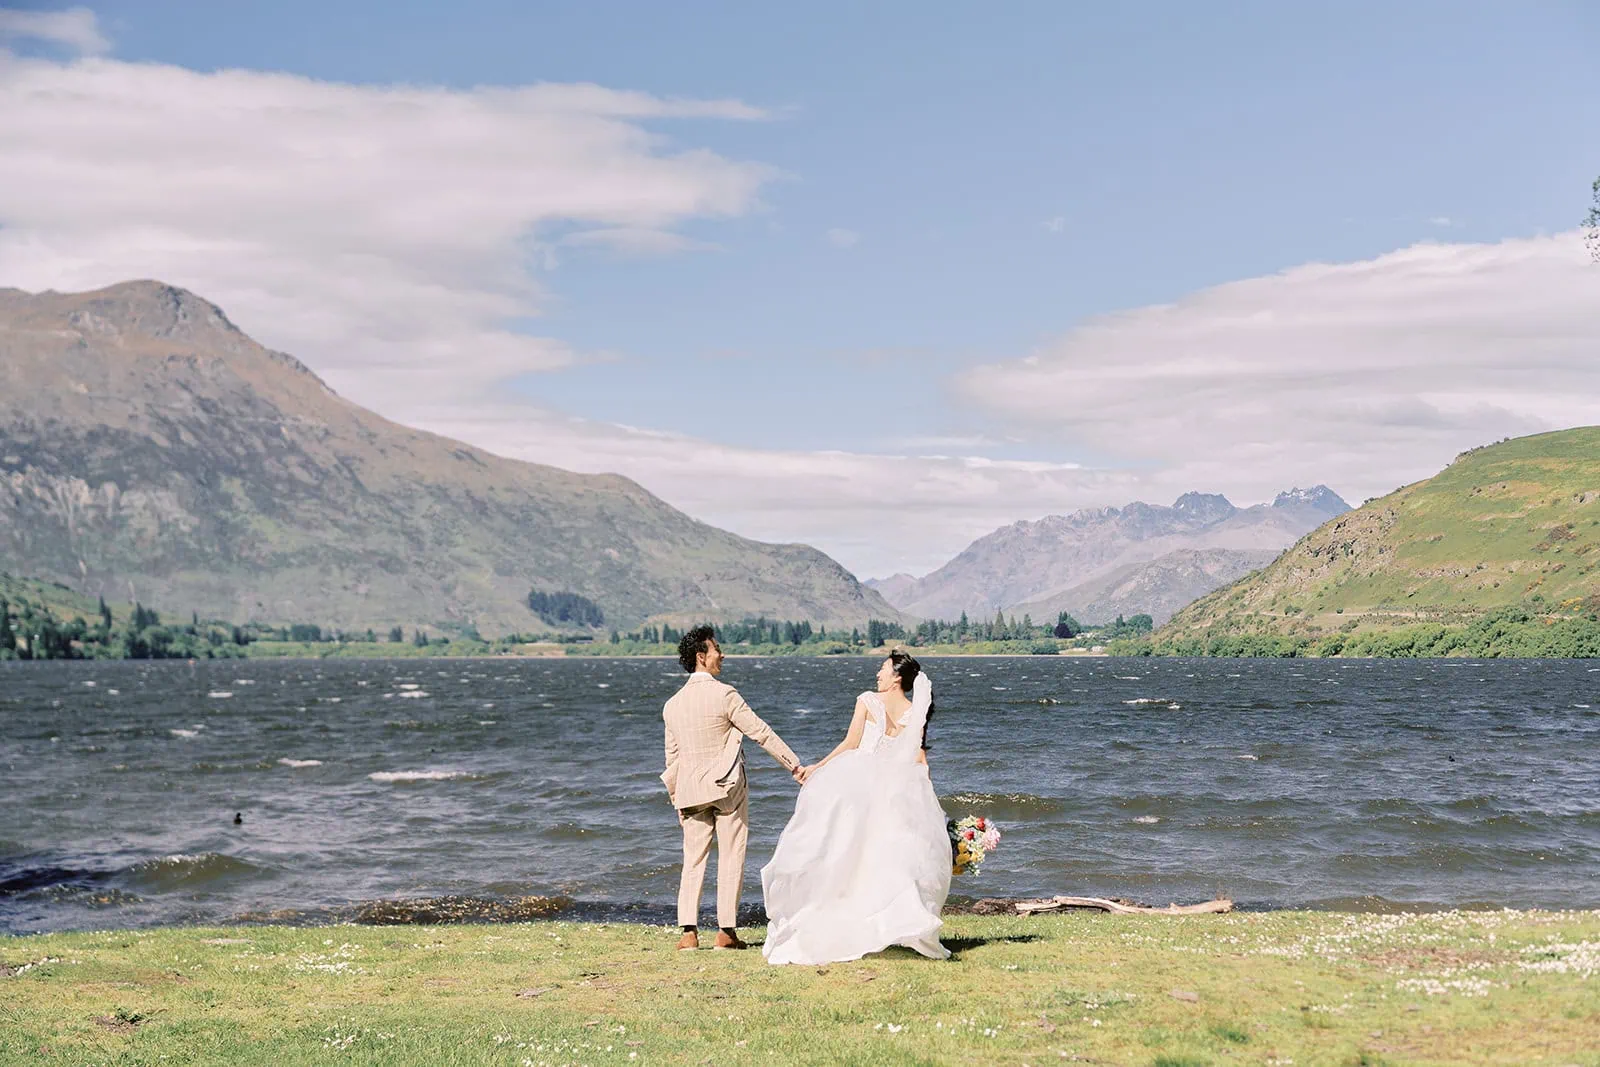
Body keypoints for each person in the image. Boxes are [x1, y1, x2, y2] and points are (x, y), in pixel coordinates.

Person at [760, 650, 951, 965]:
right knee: (887, 856)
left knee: (847, 850)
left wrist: (818, 767)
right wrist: (924, 793)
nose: (878, 673)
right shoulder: (915, 710)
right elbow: (919, 757)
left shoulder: (867, 700)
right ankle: (885, 921)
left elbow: (850, 743)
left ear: (897, 677)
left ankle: (849, 917)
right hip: (895, 787)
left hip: (859, 782)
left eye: (883, 668)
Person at [662, 625, 807, 951]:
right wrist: (794, 765)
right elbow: (761, 733)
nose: (722, 654)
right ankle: (726, 933)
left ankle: (688, 933)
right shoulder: (725, 694)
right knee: (731, 856)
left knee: (692, 860)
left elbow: (672, 759)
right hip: (727, 788)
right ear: (701, 656)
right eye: (716, 649)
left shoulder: (672, 705)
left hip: (690, 791)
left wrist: (676, 800)